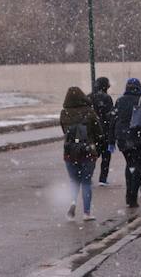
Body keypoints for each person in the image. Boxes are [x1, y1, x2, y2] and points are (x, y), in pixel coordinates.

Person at [109, 78, 141, 209]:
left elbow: (112, 121)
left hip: (123, 138)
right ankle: (132, 197)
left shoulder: (120, 101)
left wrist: (111, 140)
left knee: (130, 165)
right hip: (139, 137)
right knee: (138, 167)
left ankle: (128, 195)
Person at [60, 86, 103, 221]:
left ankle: (73, 202)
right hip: (87, 151)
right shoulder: (89, 112)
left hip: (70, 151)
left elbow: (64, 131)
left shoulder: (64, 113)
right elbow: (99, 133)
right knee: (86, 182)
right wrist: (97, 147)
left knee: (74, 181)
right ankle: (87, 213)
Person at [89, 77, 114, 186]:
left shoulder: (89, 97)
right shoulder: (107, 98)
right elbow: (111, 116)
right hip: (105, 131)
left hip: (93, 132)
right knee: (106, 157)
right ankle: (103, 179)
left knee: (93, 156)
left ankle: (88, 176)